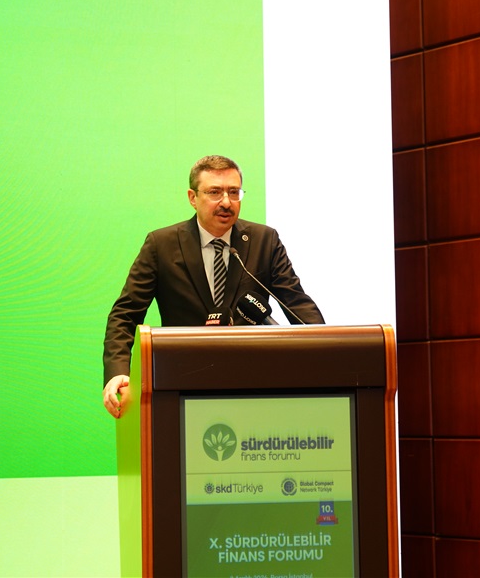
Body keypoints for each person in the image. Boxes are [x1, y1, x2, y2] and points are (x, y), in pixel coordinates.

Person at [101, 155, 324, 418]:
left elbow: (296, 304)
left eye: (234, 192)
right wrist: (118, 373)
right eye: (215, 192)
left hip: (254, 385)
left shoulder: (264, 240)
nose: (226, 202)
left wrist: (326, 354)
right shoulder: (161, 245)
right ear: (192, 198)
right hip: (181, 385)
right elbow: (125, 314)